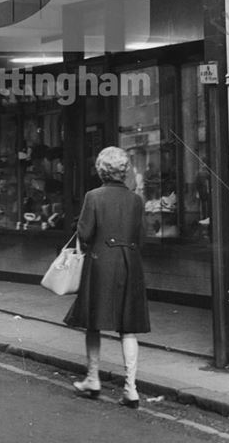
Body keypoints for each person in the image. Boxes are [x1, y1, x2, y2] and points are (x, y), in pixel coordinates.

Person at [64, 145, 150, 409]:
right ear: (124, 170)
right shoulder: (136, 200)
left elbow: (85, 234)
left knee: (94, 323)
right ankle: (131, 390)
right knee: (128, 328)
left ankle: (93, 379)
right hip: (130, 264)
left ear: (101, 169)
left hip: (101, 264)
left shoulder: (93, 196)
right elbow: (141, 237)